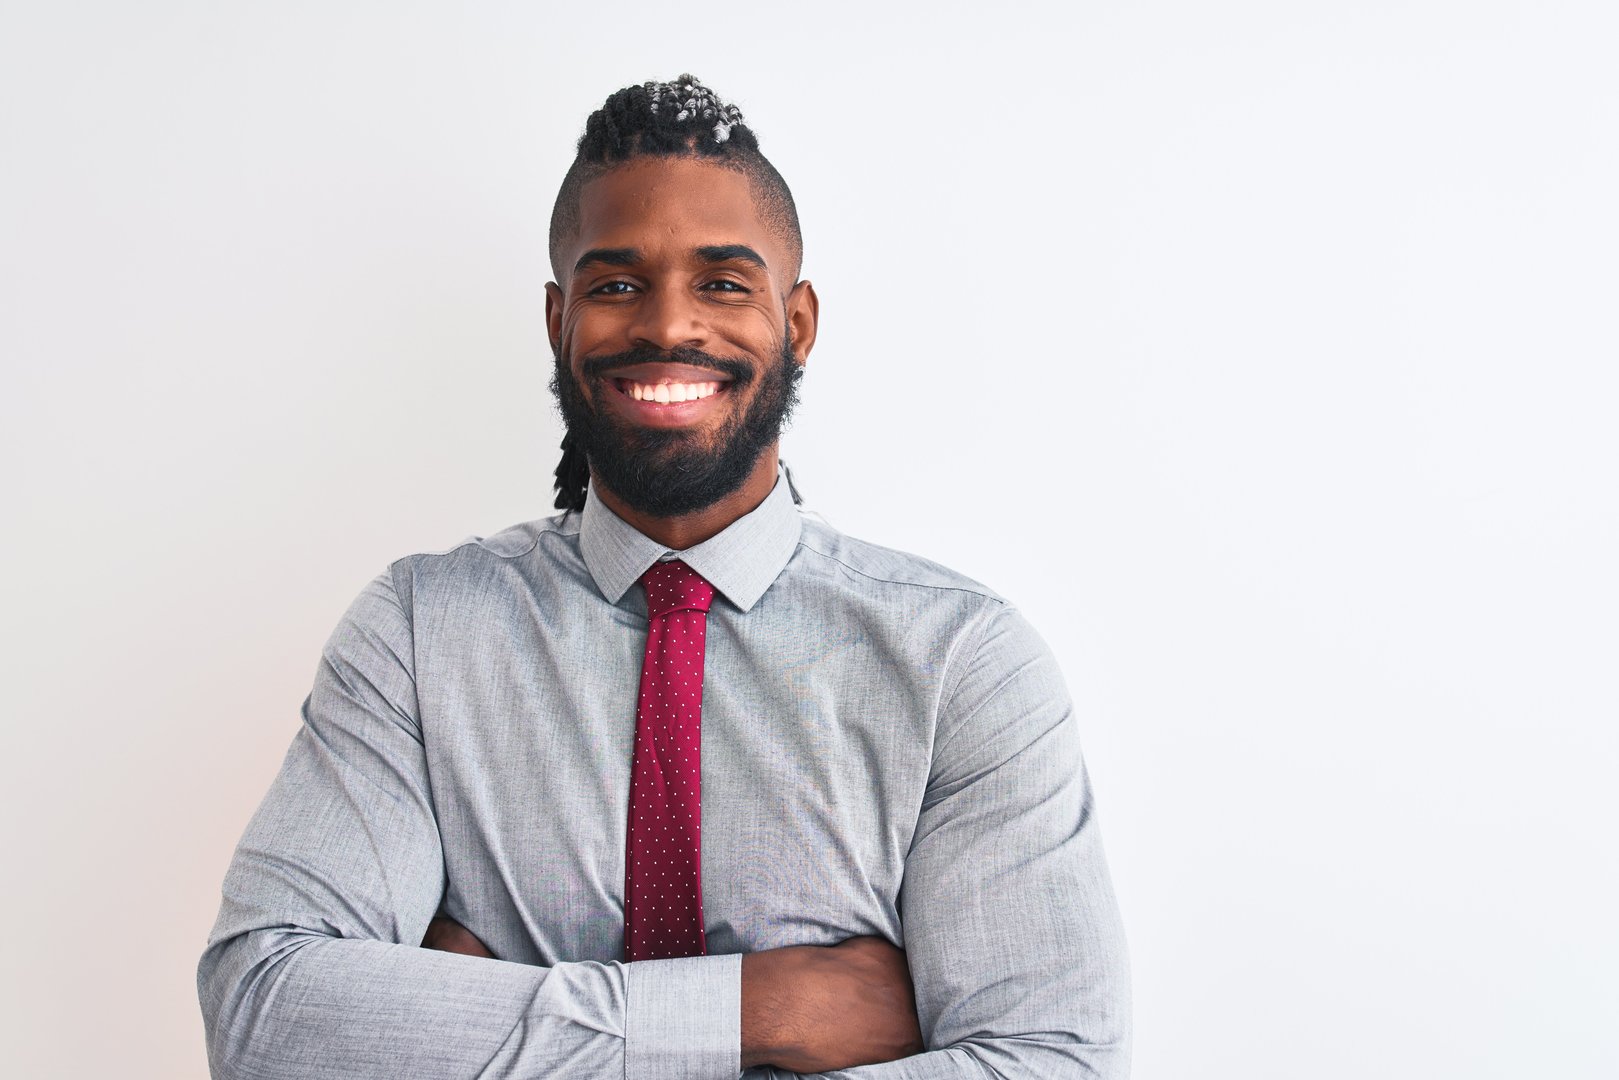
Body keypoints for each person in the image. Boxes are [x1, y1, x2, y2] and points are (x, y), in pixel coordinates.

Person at [197, 74, 1131, 1079]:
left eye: (723, 281)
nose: (667, 326)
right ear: (557, 320)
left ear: (798, 321)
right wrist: (757, 1011)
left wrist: (477, 1019)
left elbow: (1051, 1065)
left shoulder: (958, 661)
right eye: (615, 284)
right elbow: (266, 1018)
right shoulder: (420, 634)